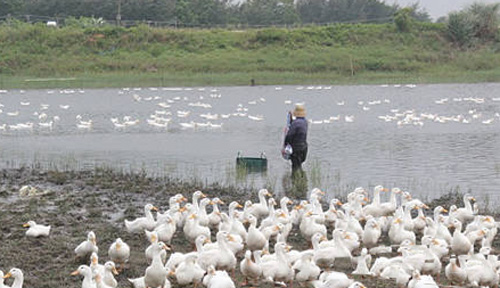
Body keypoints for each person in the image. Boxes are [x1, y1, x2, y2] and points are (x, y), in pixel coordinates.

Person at [284, 104, 308, 178]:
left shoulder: (295, 124)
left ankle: (295, 182)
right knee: (299, 165)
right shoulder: (305, 122)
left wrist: (285, 145)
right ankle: (302, 182)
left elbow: (289, 135)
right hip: (304, 147)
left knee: (295, 167)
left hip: (296, 148)